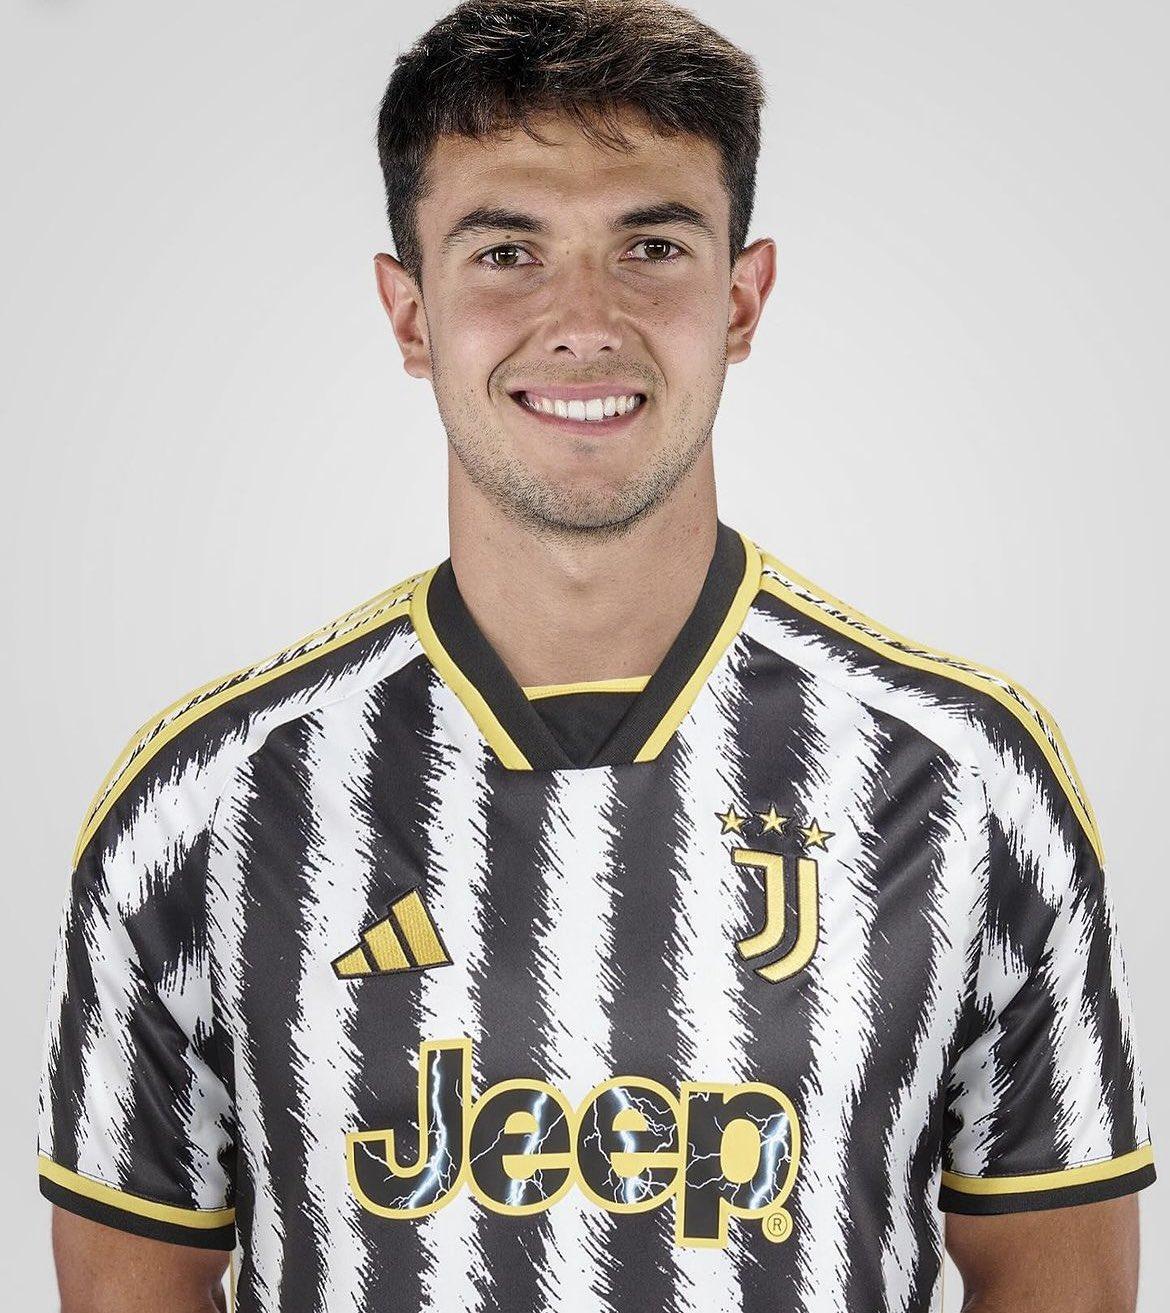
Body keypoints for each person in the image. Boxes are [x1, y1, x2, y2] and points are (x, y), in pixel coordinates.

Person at [36, 1, 1156, 1310]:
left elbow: (1060, 1283)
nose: (583, 319)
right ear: (409, 311)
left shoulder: (963, 779)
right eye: (507, 250)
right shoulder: (202, 806)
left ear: (741, 298)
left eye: (651, 247)